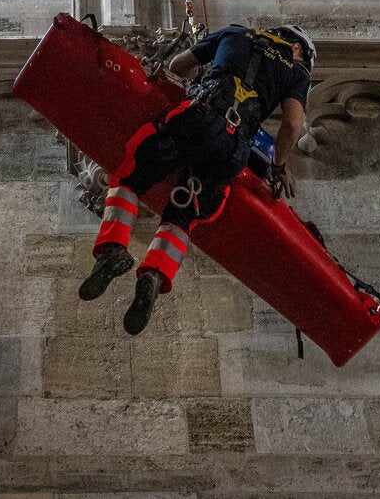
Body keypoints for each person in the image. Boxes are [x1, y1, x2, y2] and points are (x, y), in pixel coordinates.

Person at [78, 22, 315, 335]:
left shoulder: (236, 34)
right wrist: (279, 166)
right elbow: (293, 123)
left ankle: (112, 250)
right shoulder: (297, 73)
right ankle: (154, 274)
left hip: (197, 116)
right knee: (183, 215)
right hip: (232, 149)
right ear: (298, 49)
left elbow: (179, 65)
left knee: (131, 177)